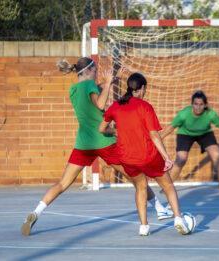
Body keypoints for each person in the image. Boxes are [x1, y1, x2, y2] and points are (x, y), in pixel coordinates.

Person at [21, 58, 171, 237]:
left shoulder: (74, 89)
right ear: (90, 70)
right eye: (96, 69)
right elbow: (100, 104)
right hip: (104, 141)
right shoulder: (91, 86)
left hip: (84, 143)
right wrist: (108, 83)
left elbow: (92, 94)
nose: (98, 73)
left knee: (62, 183)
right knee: (138, 179)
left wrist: (110, 81)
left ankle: (36, 212)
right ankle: (160, 208)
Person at [99, 73, 190, 236]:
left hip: (127, 157)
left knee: (140, 187)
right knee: (168, 185)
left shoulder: (115, 106)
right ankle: (178, 219)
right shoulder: (145, 106)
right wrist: (166, 157)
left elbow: (102, 129)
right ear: (142, 89)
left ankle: (143, 226)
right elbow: (154, 135)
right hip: (148, 155)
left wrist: (117, 131)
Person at [161, 91, 219, 193]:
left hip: (205, 134)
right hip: (185, 134)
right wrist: (158, 139)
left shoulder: (210, 114)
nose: (198, 107)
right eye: (195, 104)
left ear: (205, 105)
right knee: (181, 159)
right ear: (192, 104)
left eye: (201, 104)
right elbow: (170, 128)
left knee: (217, 154)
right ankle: (168, 185)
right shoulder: (184, 114)